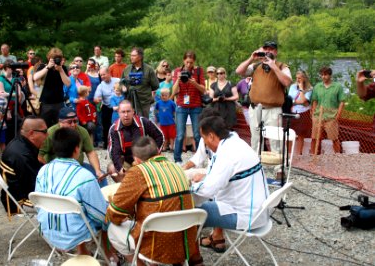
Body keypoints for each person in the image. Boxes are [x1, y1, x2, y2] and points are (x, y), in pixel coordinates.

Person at [107, 136, 201, 266]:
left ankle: (141, 264)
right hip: (185, 242)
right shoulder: (176, 167)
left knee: (113, 229)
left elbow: (115, 213)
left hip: (156, 248)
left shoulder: (138, 171)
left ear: (137, 159)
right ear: (158, 151)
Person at [191, 116, 269, 251]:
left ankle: (190, 255)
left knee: (186, 211)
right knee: (205, 200)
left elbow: (206, 191)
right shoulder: (236, 142)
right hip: (258, 211)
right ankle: (215, 238)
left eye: (203, 139)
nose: (204, 143)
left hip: (245, 216)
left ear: (211, 136)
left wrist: (185, 190)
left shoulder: (227, 155)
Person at [35, 127, 111, 256]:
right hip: (75, 233)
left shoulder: (44, 170)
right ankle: (111, 256)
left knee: (78, 210)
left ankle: (83, 251)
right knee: (108, 214)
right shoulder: (85, 176)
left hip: (48, 230)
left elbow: (38, 205)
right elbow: (99, 215)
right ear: (77, 150)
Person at [235, 41, 292, 152]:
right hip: (256, 108)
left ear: (275, 52)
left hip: (273, 109)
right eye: (265, 49)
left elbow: (287, 82)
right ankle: (257, 166)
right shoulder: (256, 66)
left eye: (270, 49)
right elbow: (239, 71)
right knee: (256, 140)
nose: (267, 51)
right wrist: (251, 58)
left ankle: (278, 167)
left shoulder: (282, 66)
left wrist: (273, 66)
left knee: (276, 140)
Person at [38, 107, 106, 187]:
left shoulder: (82, 131)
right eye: (69, 122)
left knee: (102, 176)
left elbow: (90, 152)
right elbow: (40, 155)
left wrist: (97, 170)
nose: (73, 125)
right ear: (60, 122)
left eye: (75, 121)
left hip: (78, 165)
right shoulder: (50, 133)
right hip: (58, 168)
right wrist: (49, 169)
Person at [107, 100, 164, 182]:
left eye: (128, 111)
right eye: (123, 112)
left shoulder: (144, 122)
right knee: (112, 168)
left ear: (133, 111)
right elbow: (114, 152)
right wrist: (120, 168)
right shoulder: (114, 129)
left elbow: (160, 136)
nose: (126, 115)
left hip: (145, 159)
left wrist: (154, 155)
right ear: (118, 113)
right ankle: (125, 189)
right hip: (126, 161)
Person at [0, 116, 47, 213]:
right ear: (32, 134)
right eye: (45, 131)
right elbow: (36, 187)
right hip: (18, 201)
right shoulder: (23, 156)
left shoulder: (20, 142)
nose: (48, 134)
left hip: (17, 193)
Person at [172, 50, 205, 163]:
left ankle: (200, 159)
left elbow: (203, 90)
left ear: (194, 61)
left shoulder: (199, 71)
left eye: (191, 62)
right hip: (181, 106)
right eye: (187, 62)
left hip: (196, 106)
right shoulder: (177, 71)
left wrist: (194, 82)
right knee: (180, 134)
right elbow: (174, 91)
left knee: (197, 134)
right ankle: (177, 159)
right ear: (183, 61)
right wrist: (178, 79)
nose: (189, 65)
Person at [310, 66, 345, 154]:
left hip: (331, 117)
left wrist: (338, 115)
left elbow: (342, 101)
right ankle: (313, 155)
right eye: (321, 75)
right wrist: (314, 113)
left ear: (330, 75)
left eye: (325, 75)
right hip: (318, 116)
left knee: (334, 138)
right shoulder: (317, 86)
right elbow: (314, 100)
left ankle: (338, 156)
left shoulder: (337, 87)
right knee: (314, 138)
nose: (323, 77)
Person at [33, 47, 71, 128]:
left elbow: (68, 83)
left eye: (58, 58)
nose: (56, 60)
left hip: (59, 103)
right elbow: (35, 77)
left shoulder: (63, 68)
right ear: (49, 58)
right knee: (44, 127)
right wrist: (48, 67)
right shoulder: (43, 66)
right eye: (54, 58)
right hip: (45, 103)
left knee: (60, 127)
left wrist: (60, 70)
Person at [121, 47, 159, 118]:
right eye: (131, 55)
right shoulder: (127, 69)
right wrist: (123, 87)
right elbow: (122, 82)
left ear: (140, 57)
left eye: (134, 56)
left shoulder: (149, 69)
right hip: (129, 102)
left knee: (143, 123)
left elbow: (155, 85)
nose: (131, 57)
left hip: (143, 103)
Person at [288, 70, 313, 155]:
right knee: (290, 134)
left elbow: (303, 100)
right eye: (297, 78)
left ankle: (299, 154)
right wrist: (299, 101)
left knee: (300, 135)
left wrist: (301, 89)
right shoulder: (292, 87)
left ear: (304, 78)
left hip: (303, 113)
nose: (297, 80)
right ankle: (289, 153)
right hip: (292, 112)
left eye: (299, 78)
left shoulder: (309, 89)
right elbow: (290, 100)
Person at [94, 67, 120, 149]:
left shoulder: (118, 81)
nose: (102, 76)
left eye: (104, 74)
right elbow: (96, 98)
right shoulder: (101, 86)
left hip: (119, 106)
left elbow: (125, 91)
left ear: (109, 73)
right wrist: (97, 99)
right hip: (107, 107)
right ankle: (107, 144)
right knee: (106, 126)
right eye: (101, 75)